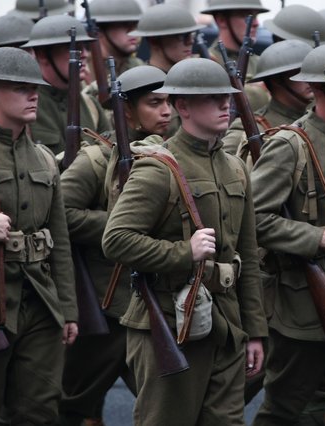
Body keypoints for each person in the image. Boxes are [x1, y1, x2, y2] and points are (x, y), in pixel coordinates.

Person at [102, 57, 267, 425]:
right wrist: (182, 252)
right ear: (183, 106)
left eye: (226, 97)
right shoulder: (158, 166)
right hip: (170, 319)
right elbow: (116, 240)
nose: (225, 105)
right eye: (212, 99)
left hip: (226, 325)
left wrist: (255, 332)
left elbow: (249, 256)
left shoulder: (235, 168)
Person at [250, 43, 325, 426]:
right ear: (321, 90)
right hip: (302, 303)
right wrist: (315, 237)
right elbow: (253, 218)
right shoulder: (290, 145)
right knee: (285, 408)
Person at [59, 65, 171, 426]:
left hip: (152, 303)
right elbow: (62, 214)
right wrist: (123, 228)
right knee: (71, 406)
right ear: (126, 110)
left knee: (168, 406)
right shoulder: (94, 160)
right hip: (106, 306)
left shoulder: (168, 156)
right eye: (155, 103)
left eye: (170, 102)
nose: (166, 111)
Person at [0, 47, 78, 425]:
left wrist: (69, 310)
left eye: (36, 88)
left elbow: (59, 241)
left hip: (39, 302)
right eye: (21, 88)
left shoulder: (43, 158)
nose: (34, 95)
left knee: (40, 409)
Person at [21, 14, 111, 157]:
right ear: (43, 55)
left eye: (85, 47)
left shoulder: (91, 105)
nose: (85, 55)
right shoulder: (24, 107)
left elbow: (111, 156)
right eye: (74, 48)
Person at [222, 39, 313, 157]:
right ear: (276, 80)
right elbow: (223, 164)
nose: (309, 78)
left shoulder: (317, 120)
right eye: (299, 72)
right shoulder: (251, 127)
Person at [128, 3, 203, 73]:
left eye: (192, 35)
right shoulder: (141, 83)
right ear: (154, 40)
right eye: (182, 35)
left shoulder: (193, 75)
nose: (190, 41)